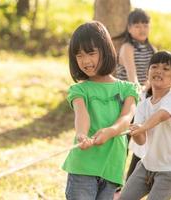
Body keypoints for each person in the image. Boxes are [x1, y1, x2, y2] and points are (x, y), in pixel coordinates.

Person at [62, 21, 139, 200]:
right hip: (83, 165)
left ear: (105, 50)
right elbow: (82, 115)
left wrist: (111, 131)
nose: (86, 61)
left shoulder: (128, 89)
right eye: (79, 55)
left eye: (91, 53)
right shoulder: (79, 90)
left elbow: (127, 117)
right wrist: (81, 134)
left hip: (112, 167)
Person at [120, 51, 171, 200]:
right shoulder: (143, 104)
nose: (159, 71)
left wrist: (142, 126)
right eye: (154, 66)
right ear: (147, 73)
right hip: (146, 165)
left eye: (166, 69)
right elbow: (141, 141)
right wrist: (136, 131)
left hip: (169, 171)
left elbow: (162, 115)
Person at [113, 8, 156, 182]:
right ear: (129, 28)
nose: (142, 29)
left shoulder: (152, 49)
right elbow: (133, 78)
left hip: (143, 99)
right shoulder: (127, 47)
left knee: (141, 143)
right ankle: (115, 181)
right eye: (137, 25)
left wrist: (147, 90)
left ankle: (131, 181)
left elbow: (153, 78)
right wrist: (143, 89)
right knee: (121, 144)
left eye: (145, 24)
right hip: (125, 100)